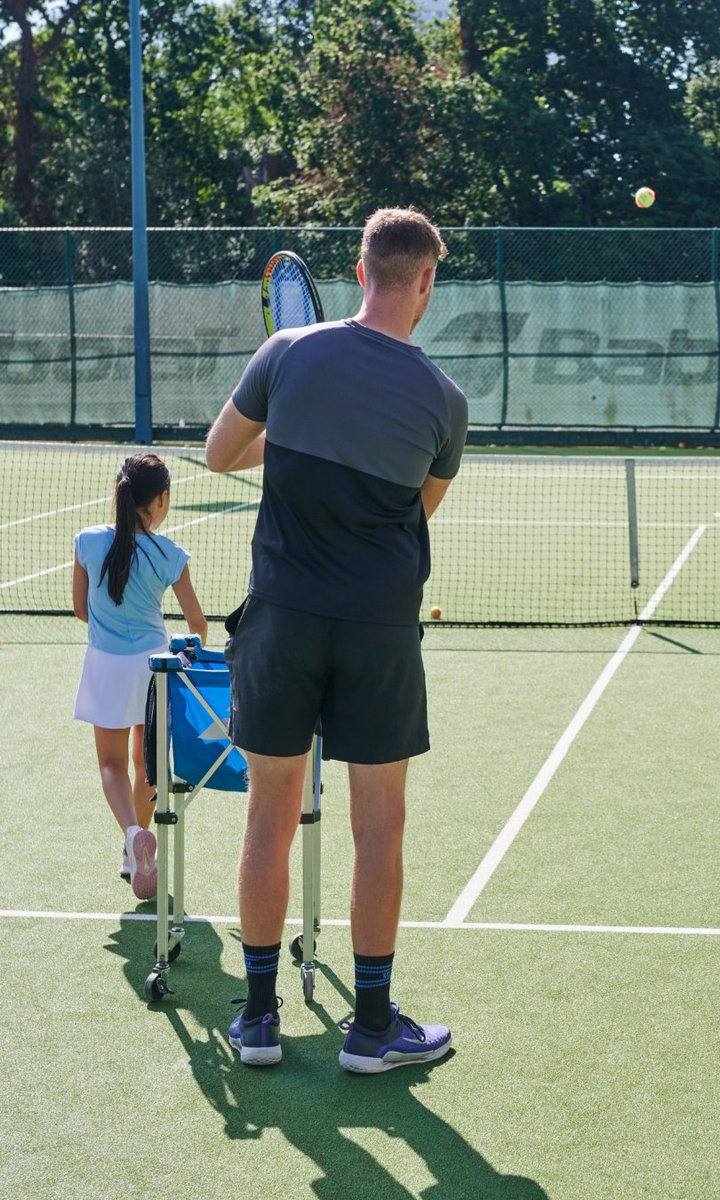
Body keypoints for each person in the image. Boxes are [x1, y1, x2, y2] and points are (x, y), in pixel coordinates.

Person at [205, 207, 468, 1071]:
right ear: (423, 280)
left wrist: (296, 440)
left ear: (360, 271)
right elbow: (414, 510)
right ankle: (373, 1027)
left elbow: (218, 455)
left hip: (280, 619)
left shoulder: (287, 353)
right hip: (380, 628)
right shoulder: (445, 402)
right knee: (379, 825)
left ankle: (256, 1021)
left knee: (267, 815)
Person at [73, 453, 207, 900]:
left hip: (105, 666)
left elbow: (80, 610)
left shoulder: (87, 542)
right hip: (156, 668)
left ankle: (132, 835)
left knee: (110, 764)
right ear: (162, 499)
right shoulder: (171, 554)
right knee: (145, 762)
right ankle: (133, 851)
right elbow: (197, 624)